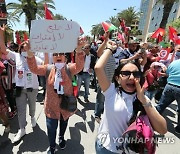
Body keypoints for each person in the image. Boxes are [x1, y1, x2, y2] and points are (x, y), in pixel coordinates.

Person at [94, 39, 167, 153]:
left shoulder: (143, 99)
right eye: (126, 74)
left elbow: (162, 129)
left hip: (130, 150)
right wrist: (110, 48)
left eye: (136, 74)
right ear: (118, 78)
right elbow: (98, 68)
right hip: (106, 148)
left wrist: (143, 100)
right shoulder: (111, 92)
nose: (132, 78)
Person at [25, 38, 85, 154]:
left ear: (65, 57)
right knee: (51, 129)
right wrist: (30, 53)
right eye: (56, 54)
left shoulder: (69, 68)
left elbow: (79, 66)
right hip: (51, 108)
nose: (58, 56)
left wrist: (78, 49)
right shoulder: (48, 69)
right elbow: (34, 68)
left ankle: (61, 137)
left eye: (61, 54)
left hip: (65, 106)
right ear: (53, 57)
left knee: (63, 124)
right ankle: (52, 146)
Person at [0, 25, 43, 143]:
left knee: (32, 107)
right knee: (21, 109)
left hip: (32, 88)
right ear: (20, 49)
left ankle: (33, 117)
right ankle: (22, 129)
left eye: (27, 48)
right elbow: (3, 49)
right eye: (23, 48)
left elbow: (45, 65)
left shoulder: (35, 59)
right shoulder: (16, 56)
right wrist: (1, 34)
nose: (25, 50)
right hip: (19, 88)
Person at [156, 59, 180, 134]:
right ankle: (179, 129)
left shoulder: (174, 63)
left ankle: (152, 121)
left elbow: (167, 73)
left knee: (161, 105)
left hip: (169, 86)